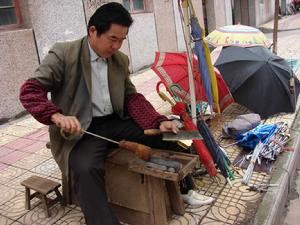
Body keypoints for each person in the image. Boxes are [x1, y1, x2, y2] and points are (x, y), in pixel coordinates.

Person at [19, 2, 195, 225]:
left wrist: (158, 121)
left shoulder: (119, 61)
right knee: (86, 168)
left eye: (122, 40)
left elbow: (131, 97)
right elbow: (29, 91)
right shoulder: (64, 54)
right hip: (81, 131)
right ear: (93, 31)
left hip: (114, 121)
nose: (117, 46)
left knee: (171, 135)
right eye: (113, 39)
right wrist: (56, 116)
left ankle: (185, 188)